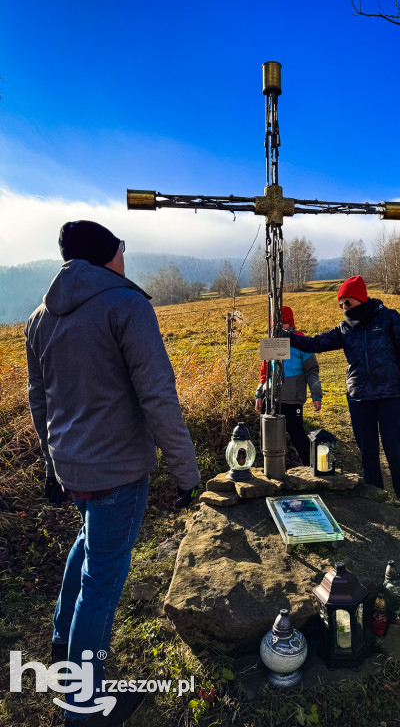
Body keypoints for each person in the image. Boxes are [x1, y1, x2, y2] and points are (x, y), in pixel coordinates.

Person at [25, 220, 201, 727]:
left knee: (88, 545)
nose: (126, 257)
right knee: (103, 581)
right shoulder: (127, 305)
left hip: (72, 469)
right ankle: (83, 705)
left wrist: (49, 462)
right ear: (108, 256)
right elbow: (159, 397)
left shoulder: (40, 318)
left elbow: (40, 401)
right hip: (117, 471)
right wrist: (188, 477)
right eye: (122, 249)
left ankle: (63, 645)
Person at [284, 276, 400, 519]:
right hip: (358, 397)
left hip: (390, 395)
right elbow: (315, 343)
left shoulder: (390, 318)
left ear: (361, 297)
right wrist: (288, 337)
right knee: (367, 451)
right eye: (341, 305)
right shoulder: (344, 328)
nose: (345, 308)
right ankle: (375, 499)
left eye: (347, 302)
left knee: (395, 450)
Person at [255, 306, 322, 466]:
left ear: (290, 323)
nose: (279, 326)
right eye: (275, 323)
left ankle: (311, 468)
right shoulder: (271, 343)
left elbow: (312, 371)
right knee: (267, 438)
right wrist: (259, 394)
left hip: (293, 400)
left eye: (283, 323)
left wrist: (316, 394)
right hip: (271, 399)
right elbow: (265, 373)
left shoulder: (301, 342)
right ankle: (271, 471)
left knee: (298, 437)